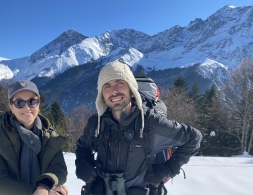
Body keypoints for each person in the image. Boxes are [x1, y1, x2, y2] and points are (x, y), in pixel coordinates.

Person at [75, 61, 202, 195]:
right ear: (102, 94)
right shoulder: (97, 123)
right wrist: (83, 164)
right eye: (107, 86)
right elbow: (83, 147)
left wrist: (168, 168)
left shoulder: (150, 123)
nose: (114, 91)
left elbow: (194, 138)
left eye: (120, 83)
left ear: (131, 88)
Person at [0, 80, 69, 195]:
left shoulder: (50, 137)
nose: (27, 107)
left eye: (32, 101)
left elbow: (59, 169)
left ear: (38, 104)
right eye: (19, 102)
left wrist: (45, 185)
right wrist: (35, 192)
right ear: (11, 106)